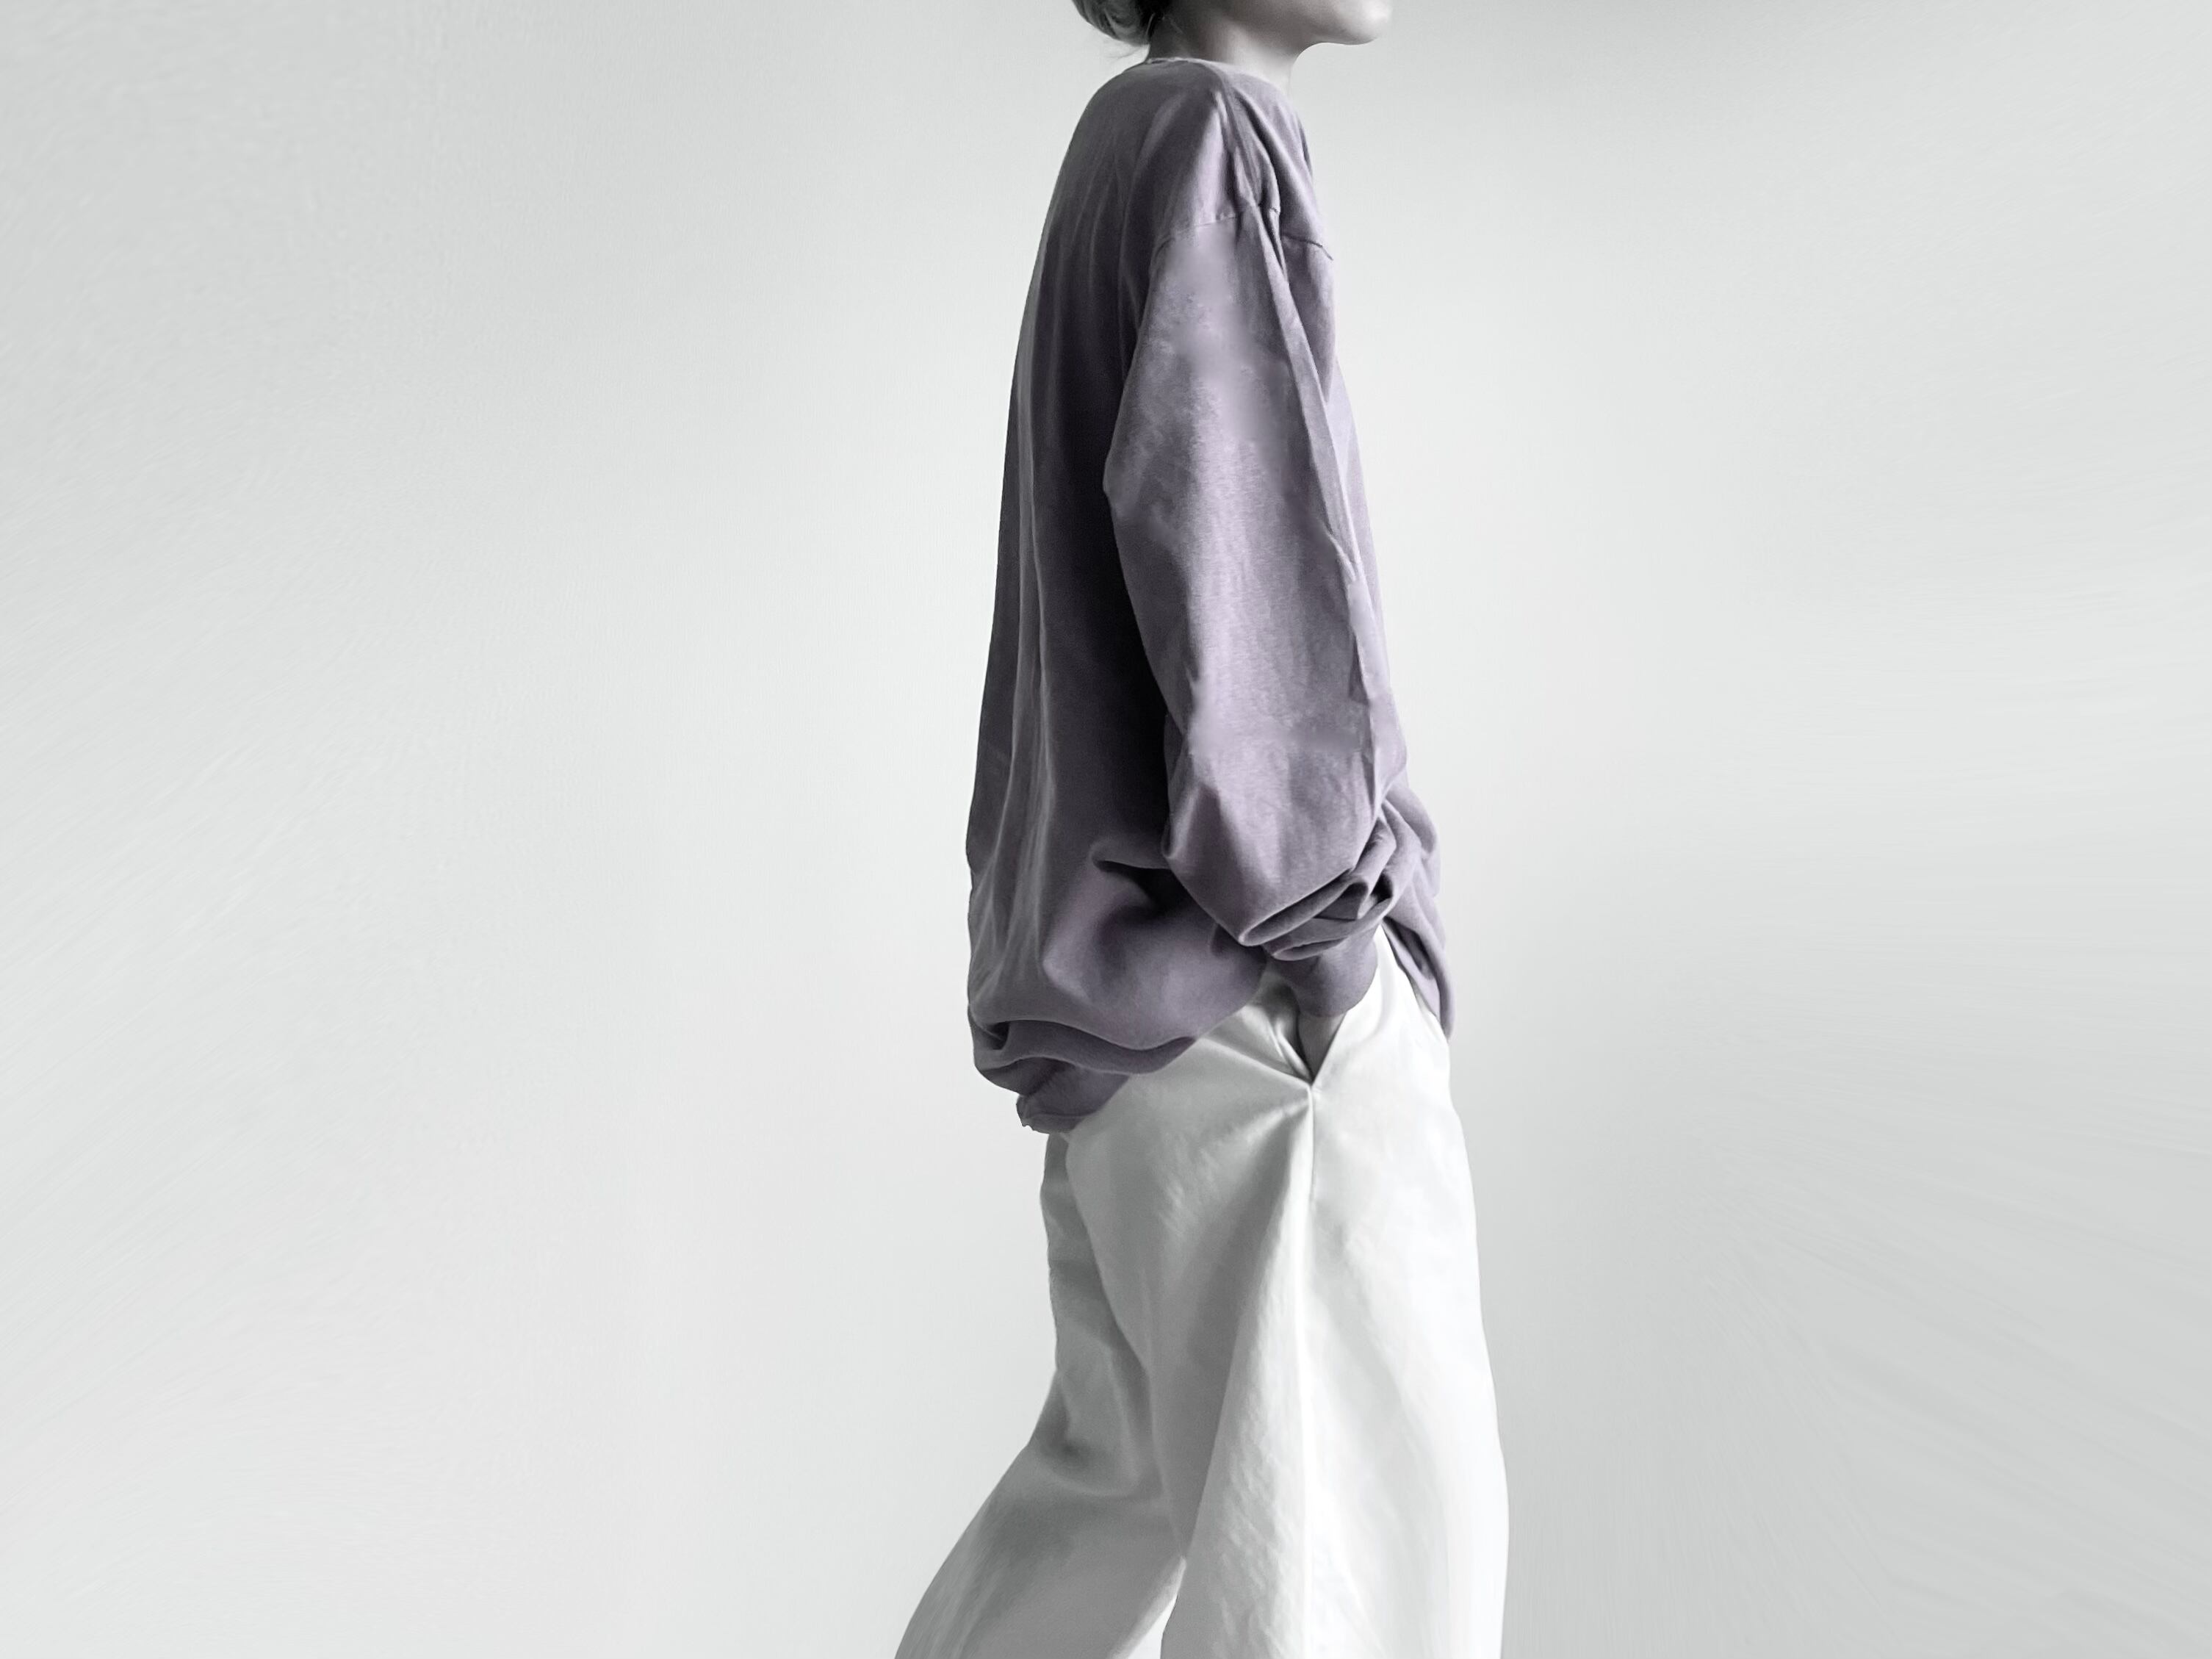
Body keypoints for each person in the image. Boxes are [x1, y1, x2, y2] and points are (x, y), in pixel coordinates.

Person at [896, 2, 1510, 1654]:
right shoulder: (1215, 136)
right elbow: (1236, 563)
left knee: (1089, 1547)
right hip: (1252, 1015)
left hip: (1132, 1030)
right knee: (1362, 1587)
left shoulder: (1129, 138)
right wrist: (1338, 946)